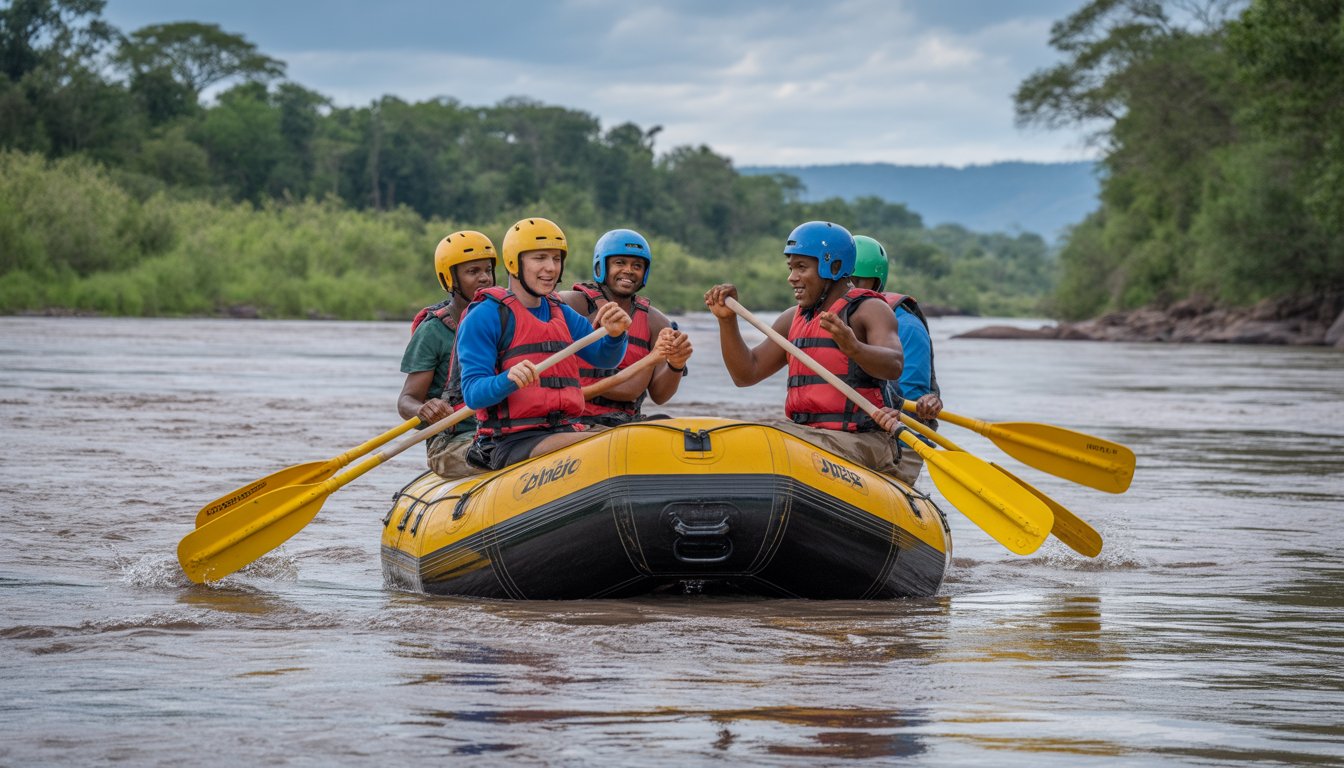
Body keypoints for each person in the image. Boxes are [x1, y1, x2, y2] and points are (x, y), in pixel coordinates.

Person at [703, 221, 909, 478]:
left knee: (783, 453)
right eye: (791, 268)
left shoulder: (869, 310)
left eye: (802, 267)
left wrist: (854, 348)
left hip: (861, 441)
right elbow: (746, 373)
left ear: (834, 267)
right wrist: (726, 320)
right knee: (743, 442)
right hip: (807, 434)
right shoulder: (792, 319)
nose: (792, 278)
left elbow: (894, 364)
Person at [454, 217, 631, 471]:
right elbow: (473, 394)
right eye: (540, 258)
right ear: (514, 262)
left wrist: (615, 335)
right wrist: (507, 379)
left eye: (556, 259)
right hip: (509, 441)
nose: (551, 268)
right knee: (611, 444)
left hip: (564, 429)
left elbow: (605, 358)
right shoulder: (485, 315)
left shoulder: (561, 311)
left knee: (647, 428)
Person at [559, 228, 692, 427]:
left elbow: (660, 396)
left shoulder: (656, 322)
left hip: (623, 423)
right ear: (601, 266)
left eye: (637, 265)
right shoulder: (570, 304)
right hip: (572, 421)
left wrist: (676, 364)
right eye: (619, 263)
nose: (629, 270)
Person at [397, 230, 497, 478]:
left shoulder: (504, 319)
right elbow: (406, 400)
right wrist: (424, 409)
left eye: (488, 270)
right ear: (450, 279)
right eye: (473, 272)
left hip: (499, 432)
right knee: (504, 455)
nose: (485, 278)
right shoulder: (433, 331)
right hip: (451, 441)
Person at [849, 234, 943, 485]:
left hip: (899, 442)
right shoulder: (825, 321)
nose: (851, 289)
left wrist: (915, 407)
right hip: (852, 433)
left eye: (858, 281)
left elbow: (911, 401)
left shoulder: (907, 328)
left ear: (876, 282)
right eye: (845, 281)